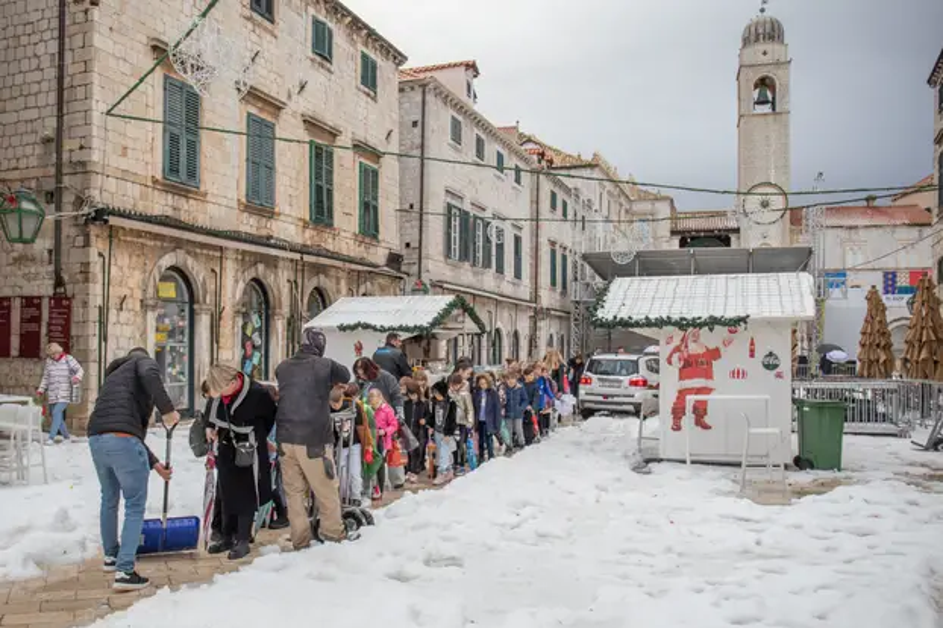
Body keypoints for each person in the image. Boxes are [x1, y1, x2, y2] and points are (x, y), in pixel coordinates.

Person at [87, 347, 178, 591]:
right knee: (134, 505)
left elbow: (129, 433)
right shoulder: (142, 363)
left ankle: (111, 556)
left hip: (97, 439)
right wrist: (168, 410)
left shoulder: (114, 379)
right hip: (122, 441)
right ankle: (125, 571)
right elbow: (128, 436)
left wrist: (156, 465)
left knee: (109, 498)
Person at [275, 328, 352, 549]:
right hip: (313, 439)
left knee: (294, 493)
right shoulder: (325, 364)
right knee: (325, 490)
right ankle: (333, 535)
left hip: (285, 439)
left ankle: (300, 539)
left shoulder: (282, 367)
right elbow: (345, 376)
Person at [202, 365, 276, 559]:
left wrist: (259, 437)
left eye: (221, 391)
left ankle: (243, 537)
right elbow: (212, 409)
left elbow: (269, 417)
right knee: (226, 489)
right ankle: (227, 535)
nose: (218, 395)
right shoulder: (219, 395)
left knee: (246, 490)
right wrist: (209, 426)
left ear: (233, 383)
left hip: (248, 445)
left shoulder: (257, 394)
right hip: (226, 443)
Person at [36, 343, 84, 445]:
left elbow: (80, 370)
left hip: (65, 393)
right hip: (52, 393)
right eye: (50, 355)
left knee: (56, 413)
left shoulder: (68, 359)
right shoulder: (49, 362)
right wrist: (41, 389)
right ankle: (67, 437)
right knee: (58, 417)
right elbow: (46, 377)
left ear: (58, 352)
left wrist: (77, 377)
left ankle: (51, 438)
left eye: (53, 354)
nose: (52, 357)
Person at [368, 388, 399, 498]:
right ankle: (372, 488)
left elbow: (394, 425)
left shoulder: (387, 410)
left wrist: (385, 431)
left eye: (374, 396)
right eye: (370, 397)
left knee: (380, 465)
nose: (371, 399)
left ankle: (379, 489)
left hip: (383, 442)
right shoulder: (368, 409)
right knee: (371, 464)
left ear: (380, 397)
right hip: (371, 441)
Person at [430, 379, 457, 486]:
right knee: (442, 452)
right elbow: (432, 416)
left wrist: (449, 433)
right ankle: (449, 471)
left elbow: (452, 419)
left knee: (444, 453)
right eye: (434, 393)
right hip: (437, 430)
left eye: (437, 393)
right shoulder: (434, 402)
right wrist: (428, 422)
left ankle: (442, 473)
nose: (435, 395)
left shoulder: (450, 404)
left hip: (445, 432)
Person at [403, 380, 429, 483]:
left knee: (417, 451)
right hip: (408, 430)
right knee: (409, 451)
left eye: (414, 394)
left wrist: (425, 420)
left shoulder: (423, 404)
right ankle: (409, 470)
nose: (412, 396)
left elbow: (429, 415)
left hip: (420, 431)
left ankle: (414, 471)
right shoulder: (406, 404)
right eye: (410, 394)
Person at [448, 372, 474, 474]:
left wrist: (470, 422)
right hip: (452, 422)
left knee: (461, 444)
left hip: (462, 423)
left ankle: (461, 464)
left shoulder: (465, 394)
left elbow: (470, 409)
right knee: (453, 444)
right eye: (452, 384)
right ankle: (455, 463)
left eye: (456, 384)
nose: (454, 387)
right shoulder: (449, 393)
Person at [472, 373, 500, 462]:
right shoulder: (477, 393)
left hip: (489, 420)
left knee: (489, 439)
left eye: (484, 383)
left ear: (488, 383)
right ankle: (481, 457)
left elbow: (497, 408)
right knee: (480, 439)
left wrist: (497, 423)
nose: (482, 385)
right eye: (480, 384)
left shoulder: (493, 393)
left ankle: (491, 456)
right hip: (479, 420)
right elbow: (474, 407)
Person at [503, 370, 527, 450]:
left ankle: (521, 443)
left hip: (518, 413)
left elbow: (525, 399)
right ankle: (509, 445)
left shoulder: (520, 387)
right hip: (507, 413)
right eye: (508, 379)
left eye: (513, 379)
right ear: (506, 380)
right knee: (508, 430)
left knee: (518, 429)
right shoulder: (503, 388)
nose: (511, 381)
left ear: (516, 380)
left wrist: (521, 408)